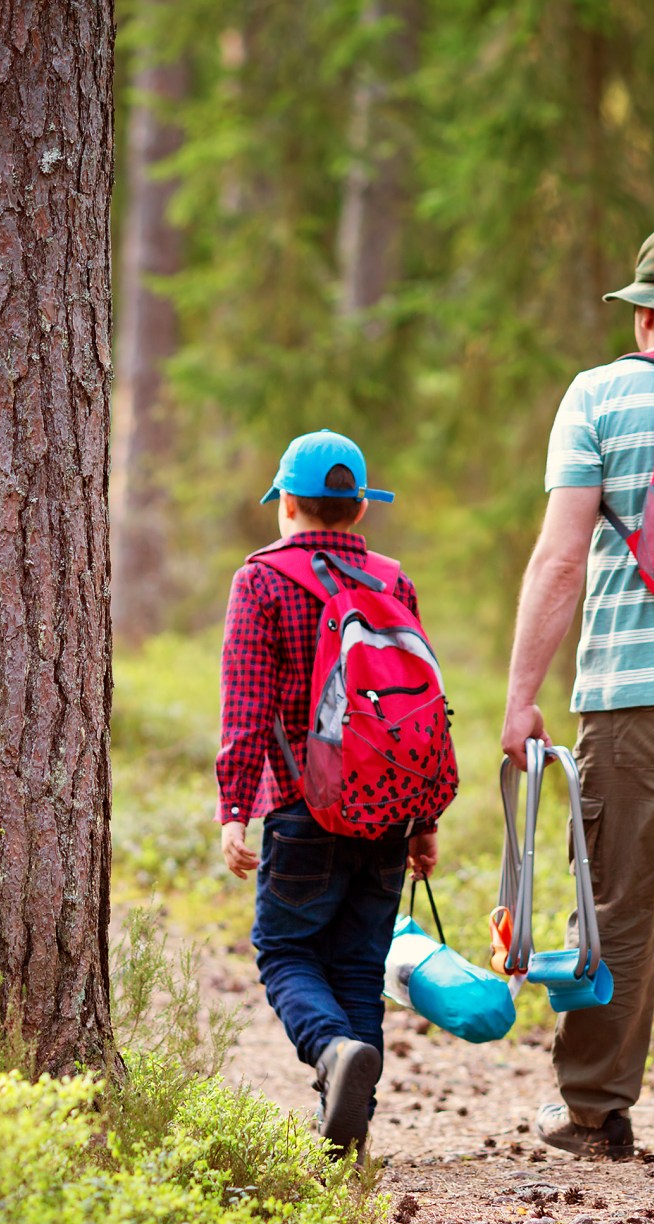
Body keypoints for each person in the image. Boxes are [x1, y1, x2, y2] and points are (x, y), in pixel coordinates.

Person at [501, 220, 654, 1161]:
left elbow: (560, 562)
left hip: (637, 692)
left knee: (618, 904)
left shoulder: (597, 395)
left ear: (645, 318)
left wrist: (520, 698)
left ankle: (593, 1112)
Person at [218, 430, 443, 1153]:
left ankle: (328, 1052)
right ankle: (350, 1131)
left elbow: (247, 706)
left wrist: (233, 809)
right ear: (358, 510)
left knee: (283, 952)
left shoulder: (262, 579)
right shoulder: (393, 579)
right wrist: (424, 817)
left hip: (300, 805)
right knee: (355, 963)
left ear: (286, 503)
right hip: (389, 807)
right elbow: (423, 707)